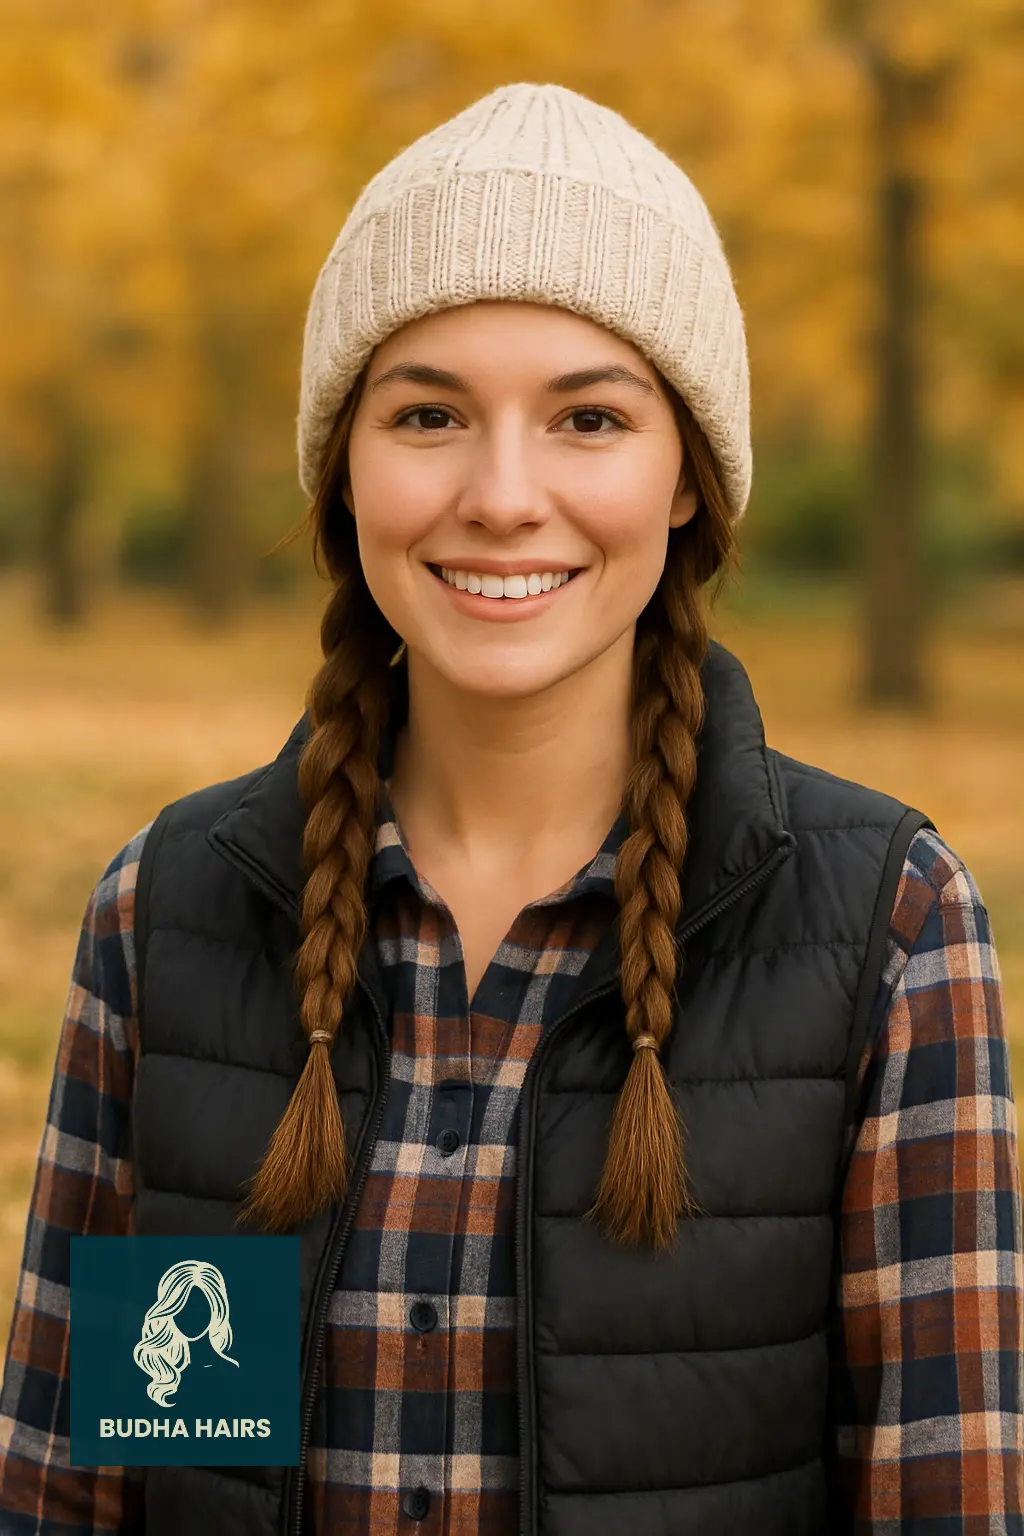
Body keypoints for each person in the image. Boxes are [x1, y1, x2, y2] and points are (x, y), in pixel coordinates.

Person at [0, 81, 1020, 1536]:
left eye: (589, 417)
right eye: (428, 413)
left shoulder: (895, 931)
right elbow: (74, 1488)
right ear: (344, 467)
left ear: (686, 483)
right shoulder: (163, 915)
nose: (501, 493)